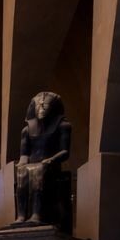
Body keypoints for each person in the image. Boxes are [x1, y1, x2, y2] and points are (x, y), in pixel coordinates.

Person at [14, 91, 72, 225]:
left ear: (53, 108)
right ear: (33, 109)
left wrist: (51, 159)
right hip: (32, 164)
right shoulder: (26, 130)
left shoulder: (63, 126)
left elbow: (65, 151)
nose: (41, 109)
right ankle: (21, 215)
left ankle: (36, 214)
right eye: (39, 106)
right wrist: (22, 164)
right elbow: (24, 155)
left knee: (38, 171)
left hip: (50, 164)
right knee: (21, 173)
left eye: (45, 106)